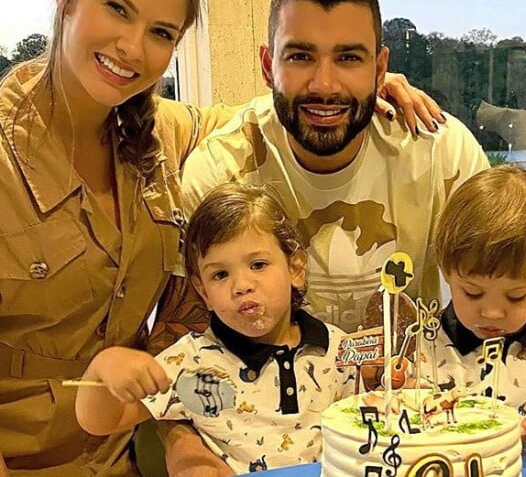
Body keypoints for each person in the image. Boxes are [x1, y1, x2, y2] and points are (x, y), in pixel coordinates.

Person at [0, 0, 447, 475]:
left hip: (126, 456)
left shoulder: (162, 134)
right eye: (117, 8)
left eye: (162, 32)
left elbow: (283, 108)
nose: (132, 46)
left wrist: (359, 87)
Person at [181, 0, 490, 335]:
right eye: (300, 56)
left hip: (410, 389)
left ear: (378, 70)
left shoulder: (443, 153)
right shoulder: (218, 174)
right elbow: (196, 332)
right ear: (267, 66)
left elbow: (510, 291)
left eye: (348, 58)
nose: (324, 85)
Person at [75, 183, 354, 474]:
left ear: (296, 269)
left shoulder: (338, 350)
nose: (241, 286)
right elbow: (100, 421)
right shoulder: (191, 362)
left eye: (258, 265)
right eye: (220, 274)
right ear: (203, 291)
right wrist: (103, 368)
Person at [426, 164, 526, 448]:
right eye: (472, 292)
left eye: (516, 296)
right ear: (446, 270)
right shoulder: (418, 351)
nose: (493, 312)